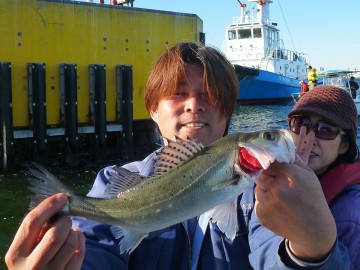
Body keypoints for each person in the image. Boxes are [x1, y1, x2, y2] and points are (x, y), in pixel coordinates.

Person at [5, 43, 347, 269]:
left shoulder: (262, 195)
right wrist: (63, 260)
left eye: (209, 95)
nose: (195, 105)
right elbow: (95, 247)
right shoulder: (111, 180)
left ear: (228, 112)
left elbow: (271, 249)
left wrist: (312, 251)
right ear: (153, 110)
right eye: (178, 94)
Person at [247, 85, 360, 269]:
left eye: (326, 129)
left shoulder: (352, 214)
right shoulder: (267, 181)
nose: (308, 138)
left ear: (344, 145)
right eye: (301, 125)